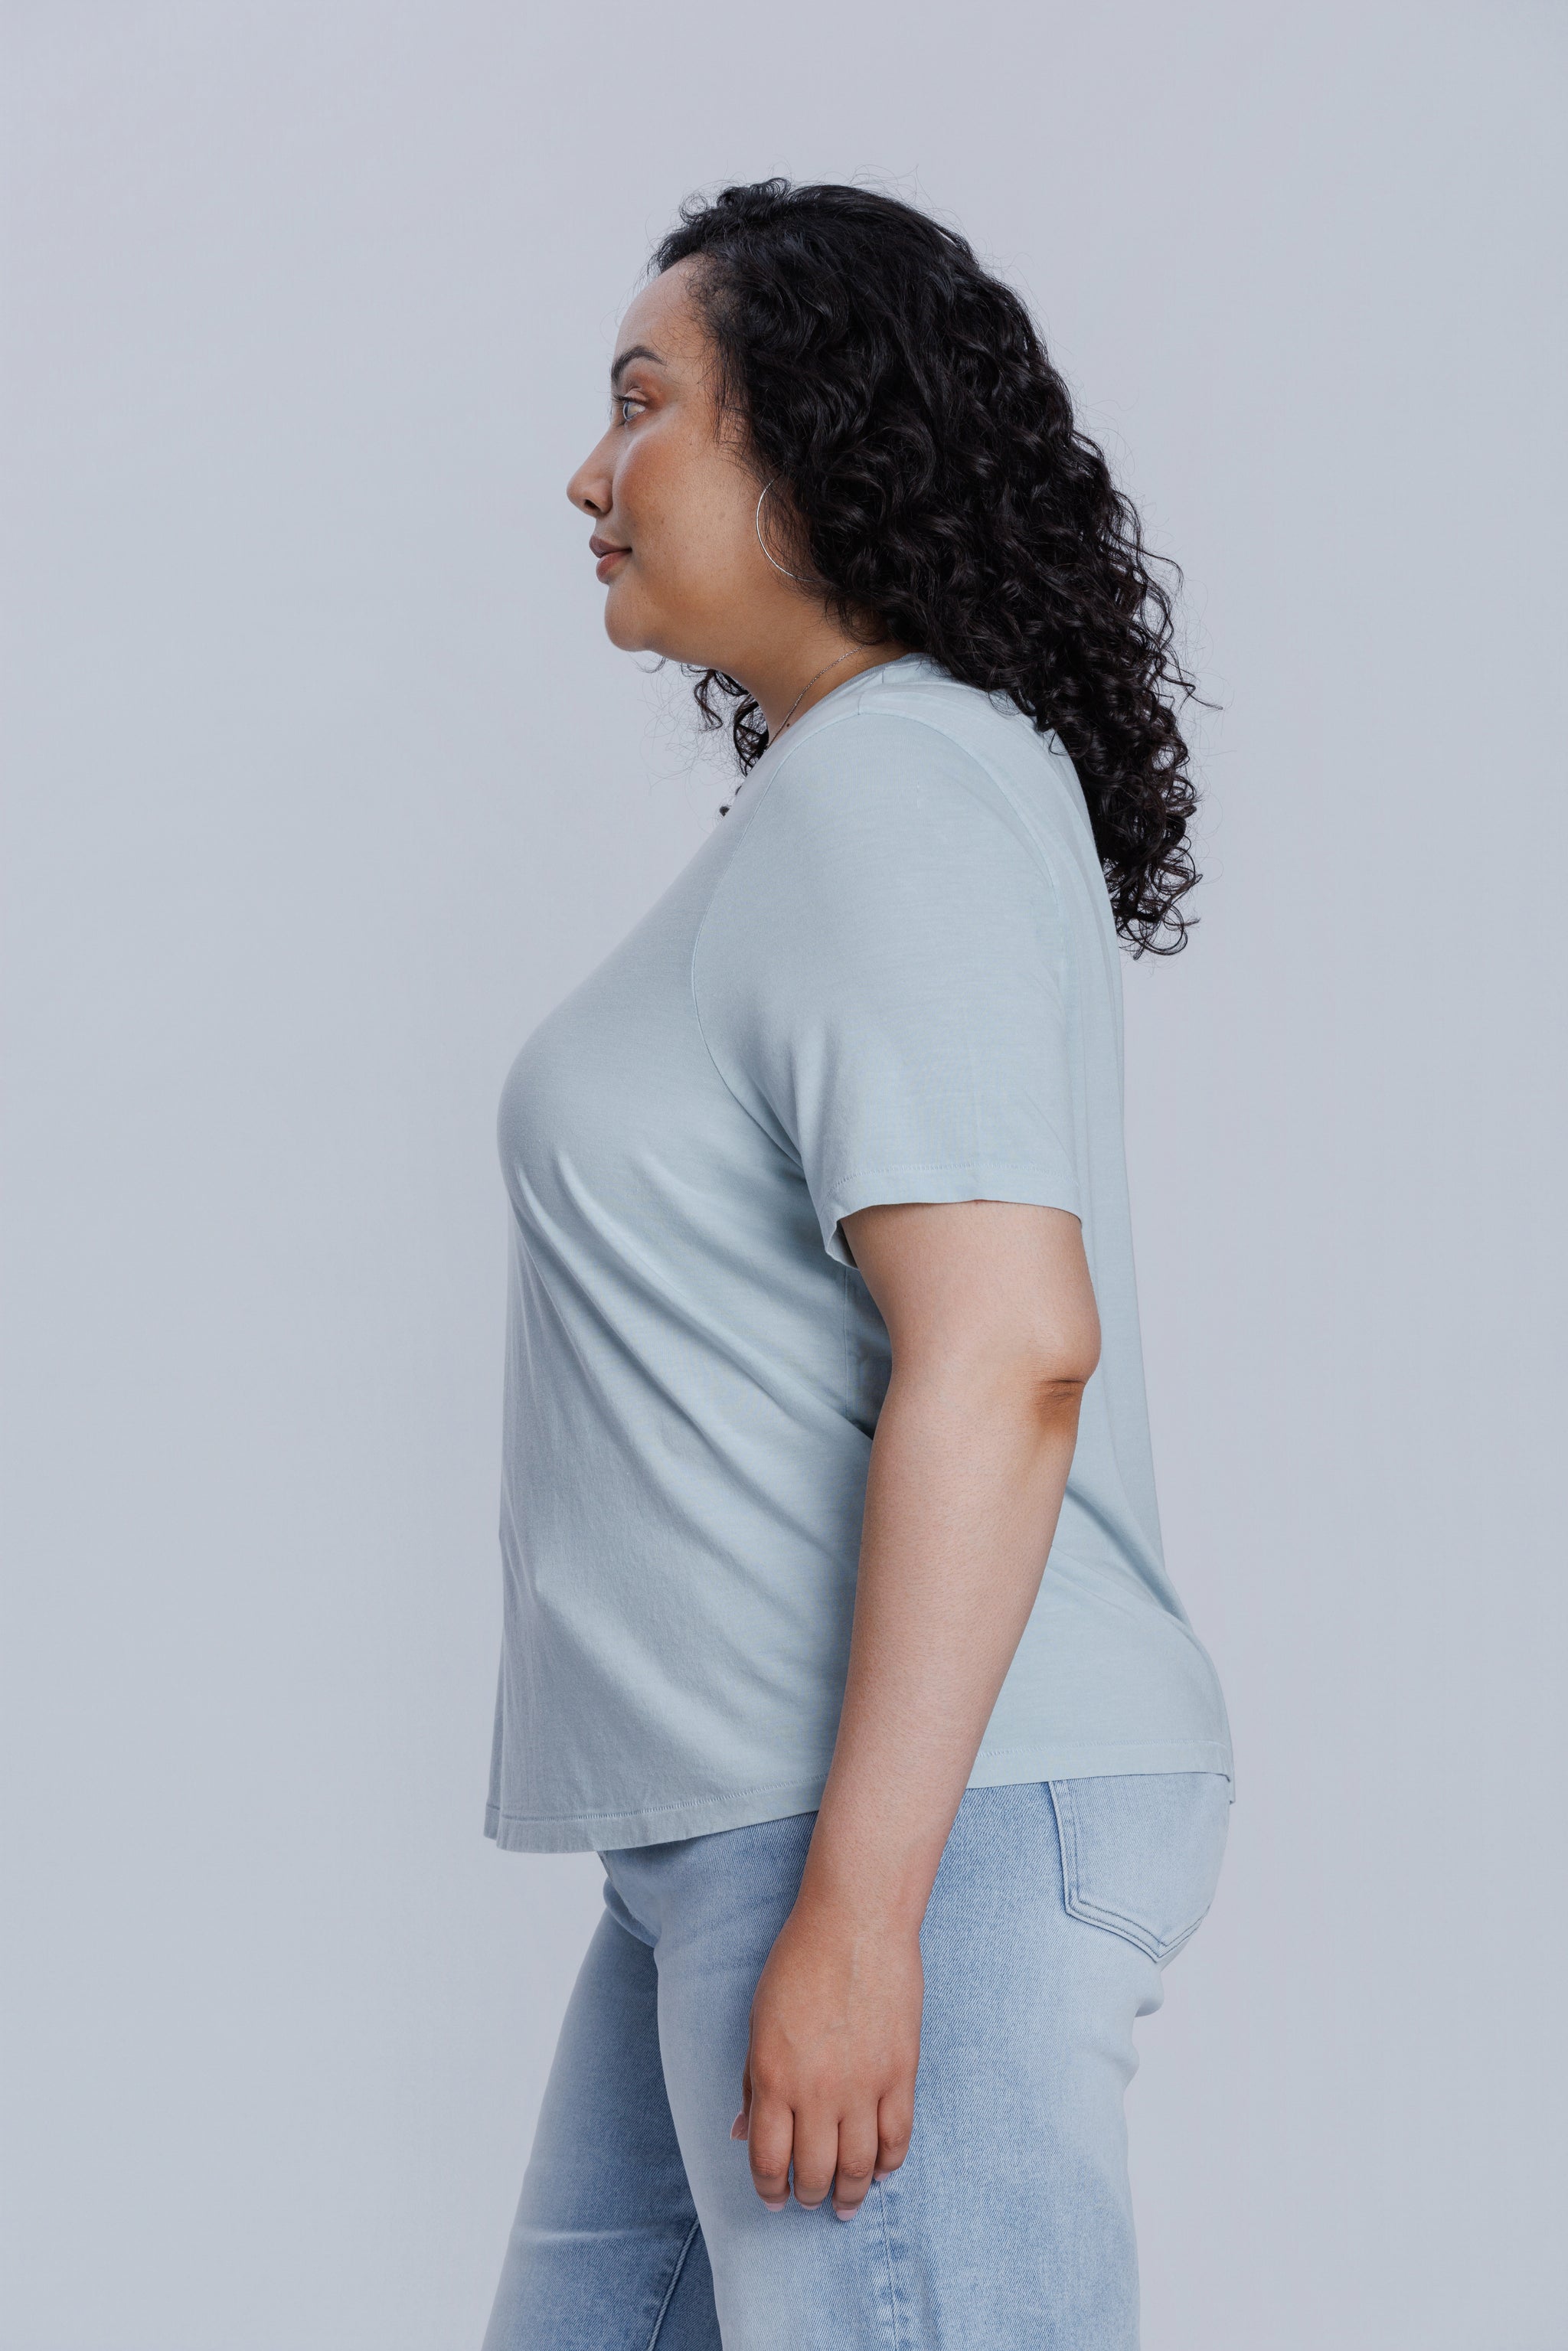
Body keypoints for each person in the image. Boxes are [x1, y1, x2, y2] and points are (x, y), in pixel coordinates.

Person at [479, 180, 1233, 2351]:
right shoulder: (851, 801)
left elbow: (1007, 1349)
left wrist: (866, 1907)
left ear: (813, 441)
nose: (586, 471)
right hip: (745, 1826)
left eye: (644, 405)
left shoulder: (901, 786)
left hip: (918, 1824)